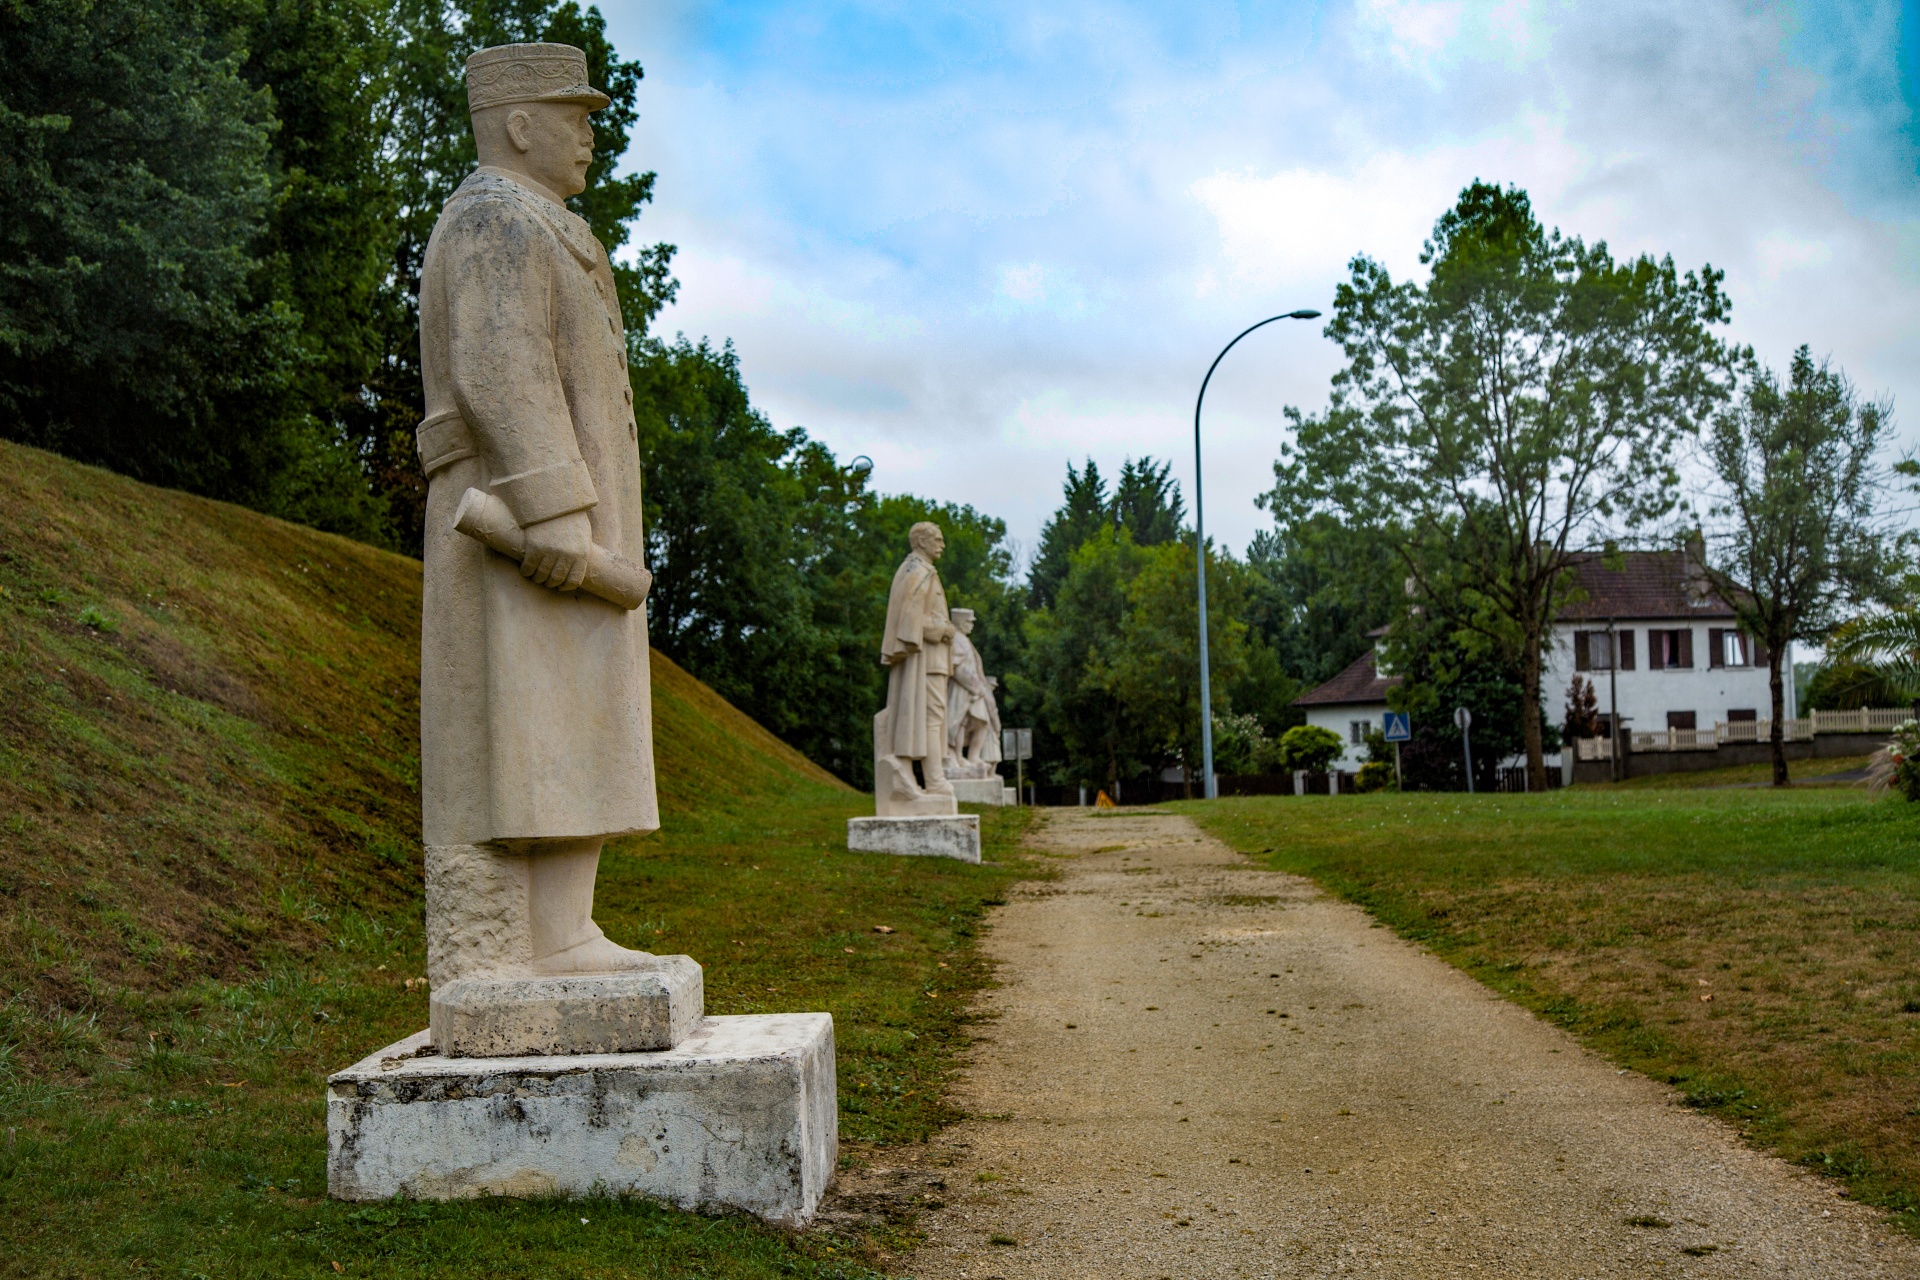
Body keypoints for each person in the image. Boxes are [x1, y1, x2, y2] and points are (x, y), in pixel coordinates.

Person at [415, 42, 657, 985]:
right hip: (525, 520)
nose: (593, 135)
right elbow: (498, 366)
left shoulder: (543, 223)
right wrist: (556, 511)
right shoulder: (493, 220)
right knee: (539, 715)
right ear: (519, 126)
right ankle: (548, 942)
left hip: (558, 518)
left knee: (570, 710)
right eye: (576, 116)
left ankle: (565, 928)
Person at [874, 522, 957, 814]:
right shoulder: (916, 573)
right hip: (925, 658)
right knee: (931, 719)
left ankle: (931, 779)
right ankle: (934, 780)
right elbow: (908, 621)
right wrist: (942, 629)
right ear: (921, 541)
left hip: (931, 660)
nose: (942, 545)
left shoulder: (921, 571)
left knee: (932, 718)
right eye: (937, 539)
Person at [945, 608, 1003, 779]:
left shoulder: (964, 640)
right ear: (961, 622)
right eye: (969, 622)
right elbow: (957, 668)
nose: (971, 626)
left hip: (974, 690)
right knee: (958, 723)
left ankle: (973, 756)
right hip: (962, 689)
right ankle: (955, 756)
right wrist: (975, 687)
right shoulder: (955, 640)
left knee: (981, 722)